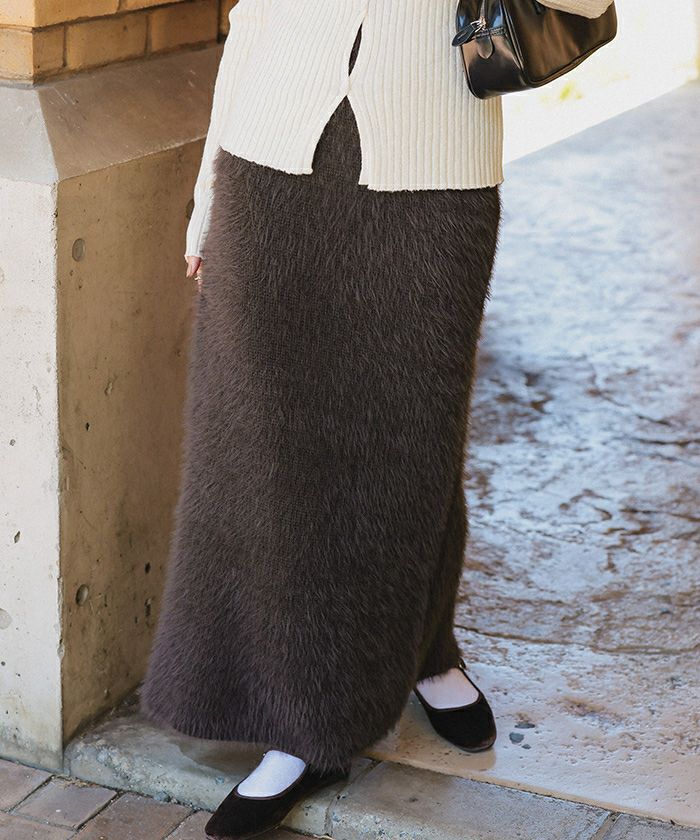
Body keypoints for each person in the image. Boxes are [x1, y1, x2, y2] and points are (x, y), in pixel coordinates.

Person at [140, 1, 614, 837]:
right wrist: (207, 195)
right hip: (270, 155)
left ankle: (421, 652)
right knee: (269, 443)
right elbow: (256, 16)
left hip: (435, 163)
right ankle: (308, 727)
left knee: (412, 435)